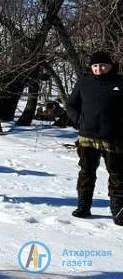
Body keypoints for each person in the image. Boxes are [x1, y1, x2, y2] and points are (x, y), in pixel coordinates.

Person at [66, 51, 123, 226]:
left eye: (103, 65)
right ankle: (83, 207)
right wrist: (78, 120)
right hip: (87, 137)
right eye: (95, 66)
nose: (99, 69)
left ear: (110, 66)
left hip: (113, 138)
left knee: (118, 176)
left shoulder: (120, 83)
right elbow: (71, 104)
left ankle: (118, 212)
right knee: (86, 173)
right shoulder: (84, 82)